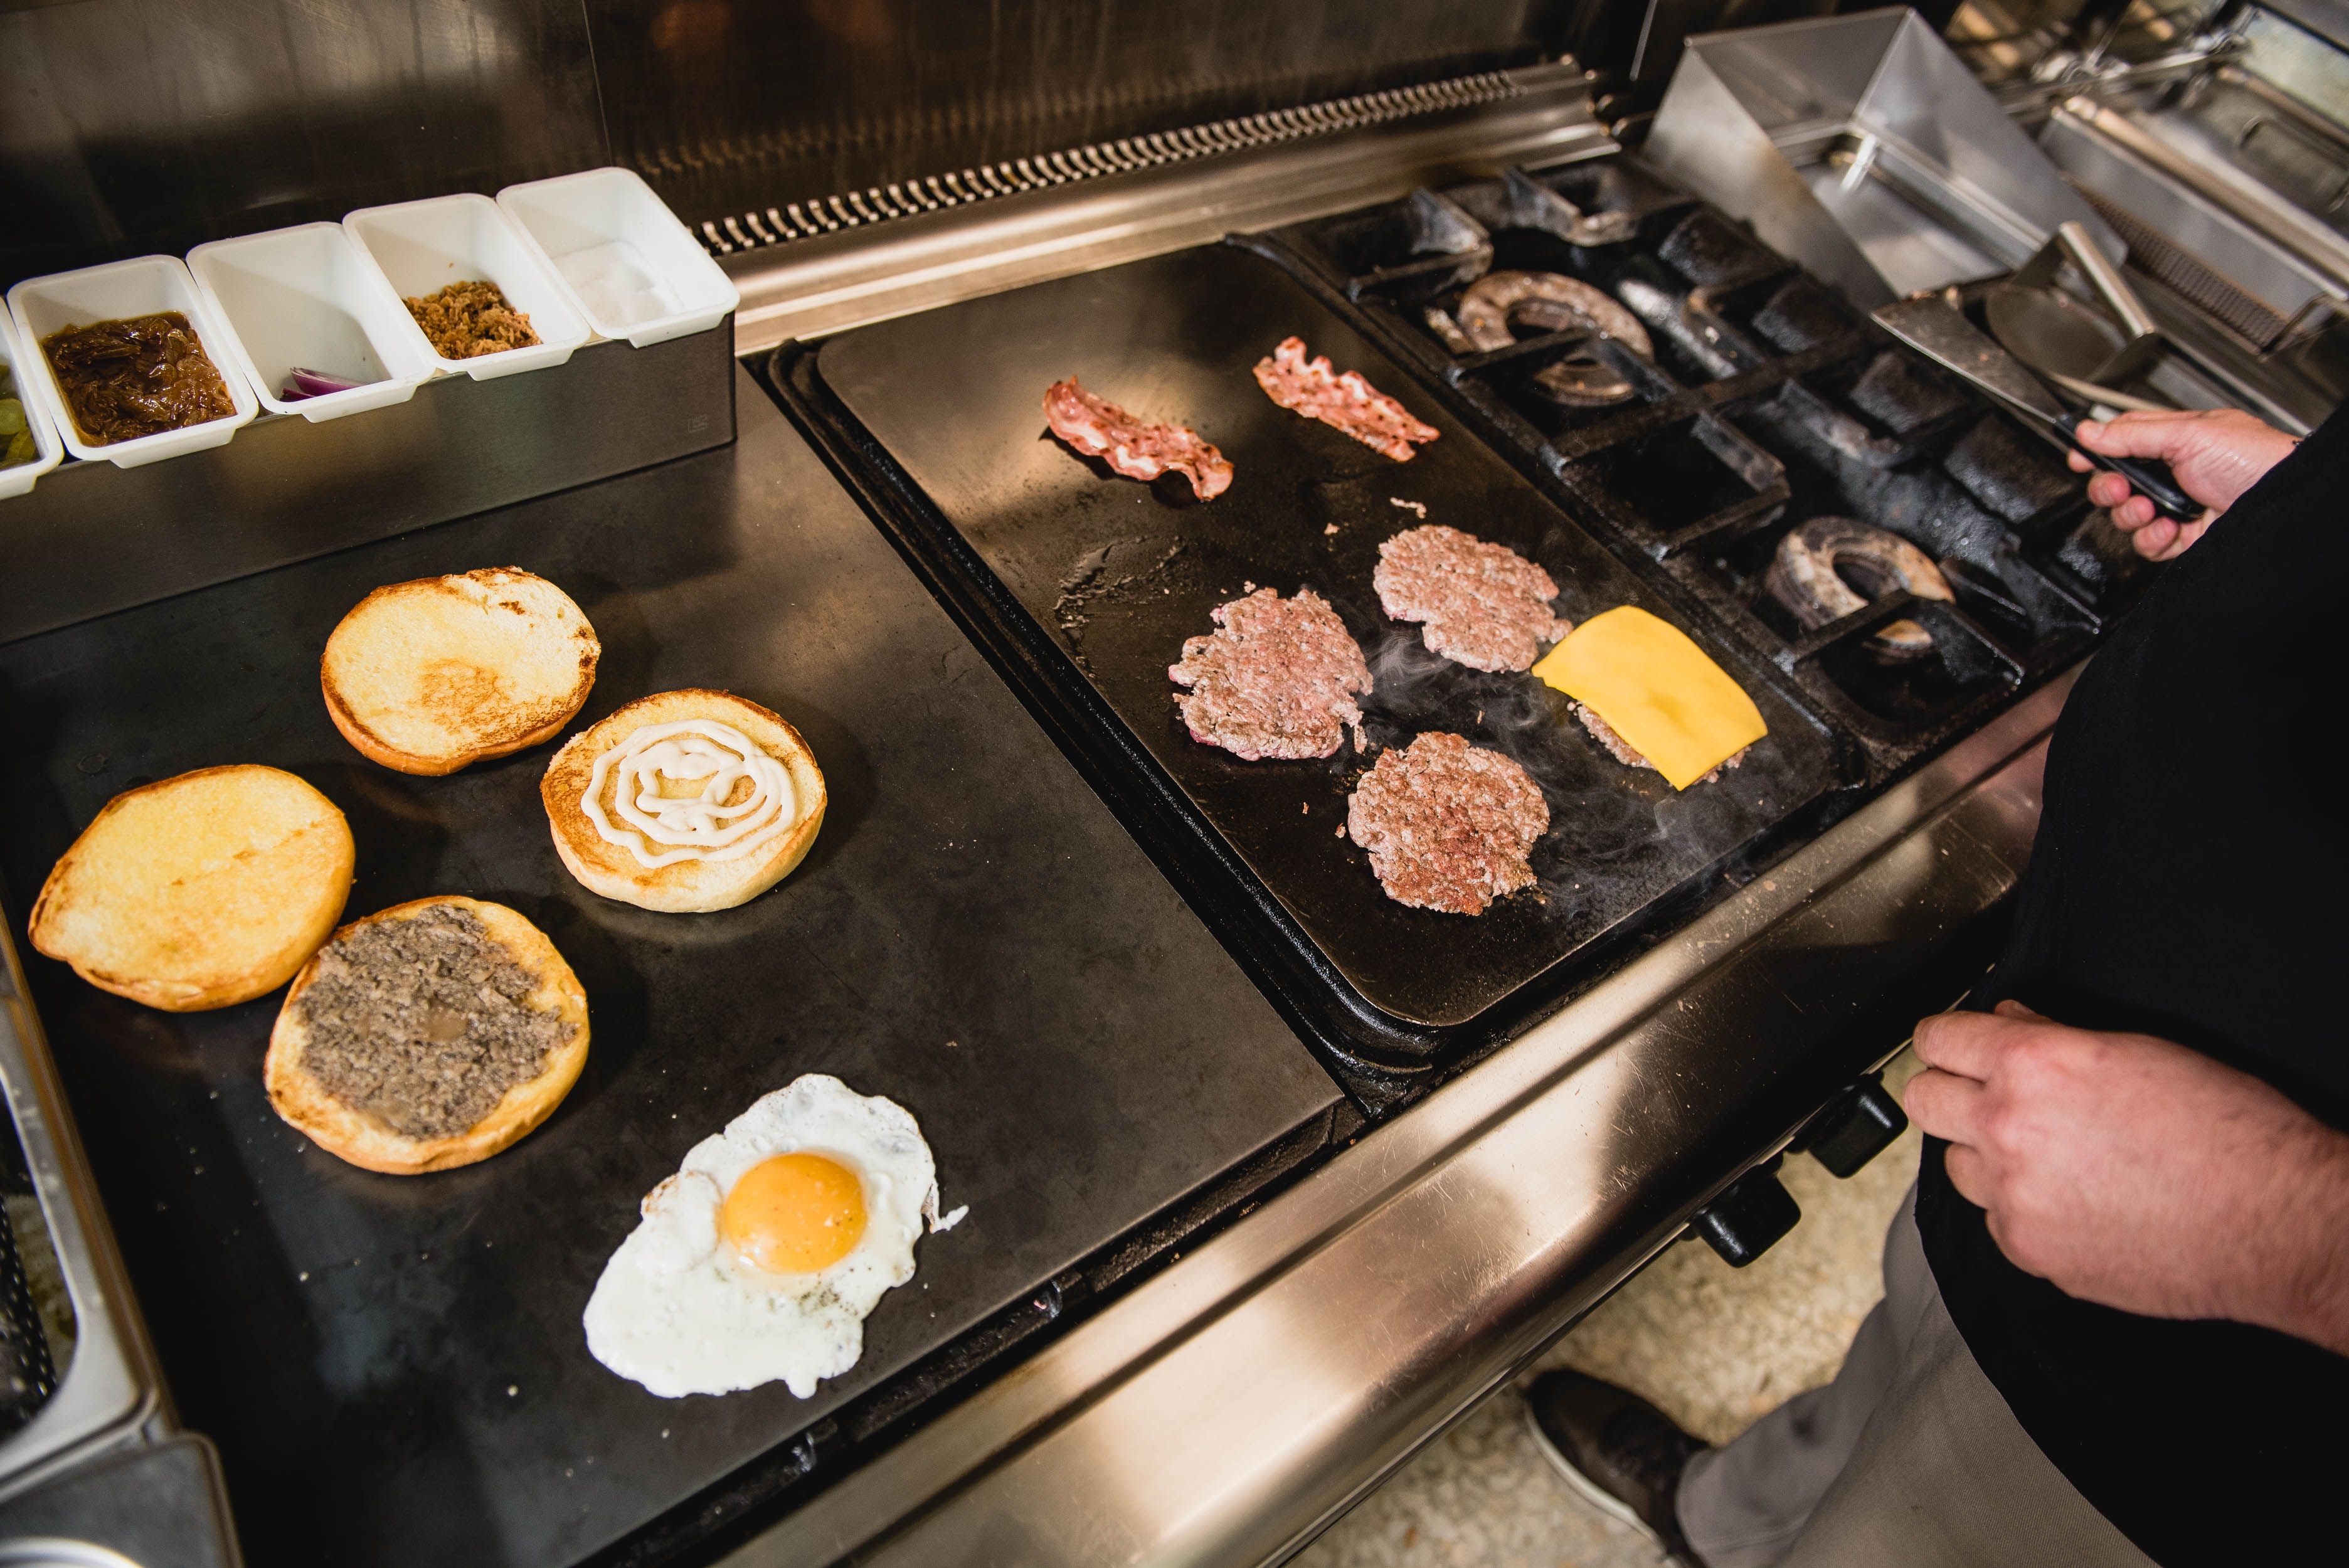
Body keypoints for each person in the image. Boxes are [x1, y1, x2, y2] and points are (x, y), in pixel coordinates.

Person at [1522, 404, 2349, 1567]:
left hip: (2230, 1402)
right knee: (1918, 1340)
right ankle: (1723, 1520)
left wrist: (2277, 1221)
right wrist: (2314, 529)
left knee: (1952, 1499)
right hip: (2073, 1094)